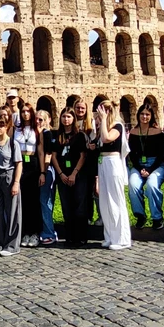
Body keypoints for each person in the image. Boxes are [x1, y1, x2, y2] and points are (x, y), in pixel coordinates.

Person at [95, 100, 131, 250]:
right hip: (102, 162)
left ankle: (122, 238)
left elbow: (107, 138)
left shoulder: (118, 125)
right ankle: (110, 236)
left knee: (116, 200)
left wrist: (103, 120)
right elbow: (100, 141)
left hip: (113, 161)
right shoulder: (103, 126)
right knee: (105, 201)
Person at [127, 103, 164, 230]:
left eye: (147, 114)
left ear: (151, 116)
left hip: (156, 165)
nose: (144, 117)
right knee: (133, 185)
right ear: (138, 115)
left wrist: (150, 170)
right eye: (142, 114)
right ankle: (140, 215)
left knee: (152, 185)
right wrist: (140, 169)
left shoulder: (157, 132)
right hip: (139, 164)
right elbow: (132, 155)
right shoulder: (133, 132)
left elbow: (162, 155)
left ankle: (157, 217)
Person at [0, 116, 23, 256]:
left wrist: (16, 183)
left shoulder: (13, 143)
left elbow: (19, 163)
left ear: (7, 127)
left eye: (1, 126)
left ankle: (12, 245)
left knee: (12, 211)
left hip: (9, 176)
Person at [51, 107, 88, 245]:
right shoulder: (57, 135)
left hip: (77, 175)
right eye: (64, 117)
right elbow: (53, 156)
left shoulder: (79, 136)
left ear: (73, 119)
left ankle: (81, 236)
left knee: (79, 205)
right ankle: (70, 235)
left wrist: (73, 174)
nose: (66, 119)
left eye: (69, 117)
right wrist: (60, 173)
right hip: (63, 175)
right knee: (66, 206)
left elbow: (82, 156)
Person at [14, 103, 41, 247]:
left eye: (28, 111)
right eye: (23, 112)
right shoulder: (17, 130)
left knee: (34, 200)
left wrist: (42, 171)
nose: (25, 114)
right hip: (21, 163)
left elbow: (41, 150)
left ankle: (35, 232)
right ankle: (25, 232)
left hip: (33, 162)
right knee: (22, 200)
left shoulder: (37, 130)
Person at [74, 98, 99, 226]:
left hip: (89, 158)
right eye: (78, 107)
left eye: (82, 108)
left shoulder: (91, 122)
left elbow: (94, 139)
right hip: (75, 156)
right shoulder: (72, 121)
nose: (80, 110)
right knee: (80, 190)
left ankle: (89, 215)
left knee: (89, 188)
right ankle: (80, 215)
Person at [36, 110, 58, 245]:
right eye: (37, 119)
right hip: (43, 170)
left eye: (41, 120)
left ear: (47, 120)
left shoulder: (46, 133)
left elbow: (48, 154)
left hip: (47, 170)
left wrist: (43, 172)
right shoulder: (40, 134)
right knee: (44, 201)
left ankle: (49, 232)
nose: (38, 122)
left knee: (45, 201)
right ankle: (47, 230)